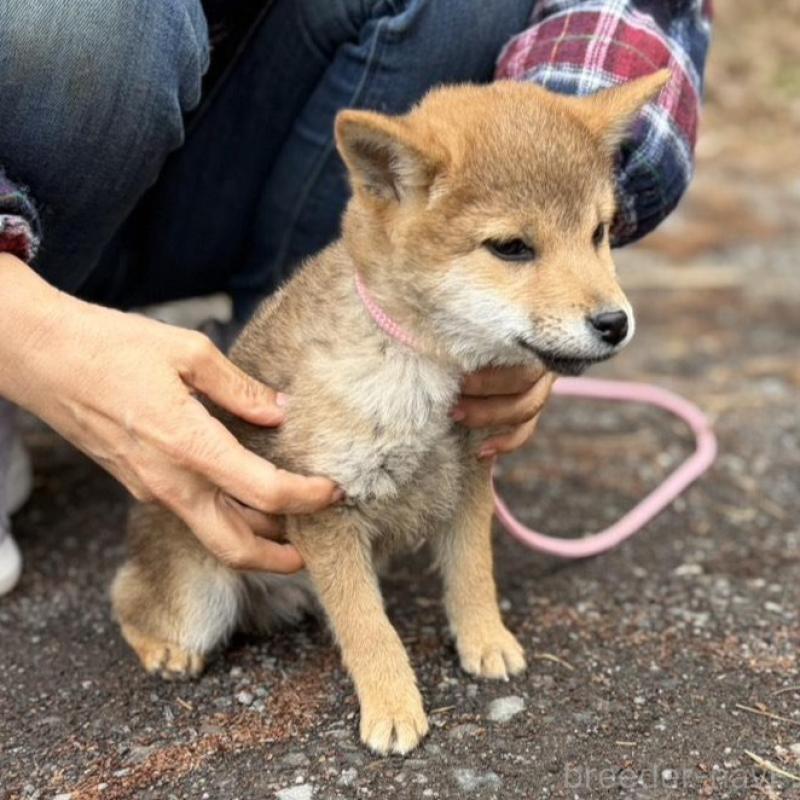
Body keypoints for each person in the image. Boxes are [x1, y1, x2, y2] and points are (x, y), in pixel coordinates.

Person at [0, 0, 712, 594]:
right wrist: (26, 334)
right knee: (82, 23)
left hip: (227, 138)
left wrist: (549, 155)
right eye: (511, 249)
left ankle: (276, 409)